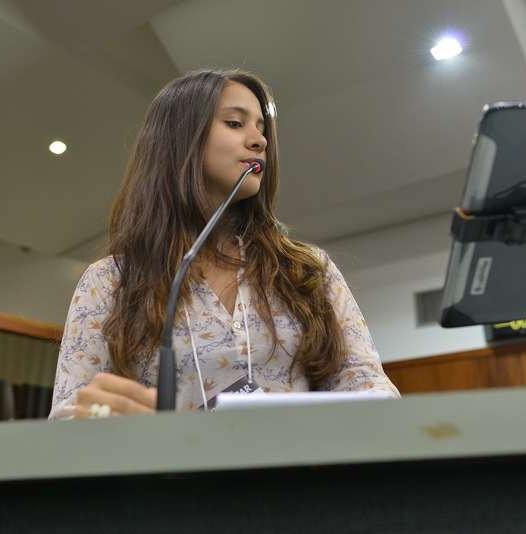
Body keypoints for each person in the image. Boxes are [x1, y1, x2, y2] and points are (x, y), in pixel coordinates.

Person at [48, 68, 400, 420]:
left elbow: (372, 388)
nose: (260, 141)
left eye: (262, 128)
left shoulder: (308, 271)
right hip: (172, 458)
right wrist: (102, 420)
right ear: (180, 139)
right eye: (235, 123)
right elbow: (68, 416)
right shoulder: (110, 281)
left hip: (298, 456)